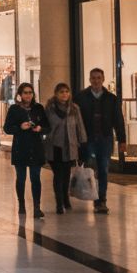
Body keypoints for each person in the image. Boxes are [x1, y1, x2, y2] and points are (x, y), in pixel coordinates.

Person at [74, 68, 126, 215]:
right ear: (89, 79)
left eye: (98, 78)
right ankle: (89, 194)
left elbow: (118, 120)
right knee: (90, 168)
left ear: (103, 79)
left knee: (103, 169)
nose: (96, 80)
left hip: (105, 139)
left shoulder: (111, 98)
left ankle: (101, 201)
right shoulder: (81, 97)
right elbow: (75, 121)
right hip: (88, 139)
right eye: (93, 78)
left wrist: (122, 140)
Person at [3, 82, 48, 218]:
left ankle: (37, 207)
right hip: (20, 147)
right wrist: (20, 127)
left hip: (36, 147)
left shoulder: (38, 108)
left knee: (35, 178)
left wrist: (40, 128)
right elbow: (7, 128)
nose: (28, 95)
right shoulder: (14, 109)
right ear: (20, 95)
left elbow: (47, 126)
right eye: (25, 93)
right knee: (21, 178)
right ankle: (21, 204)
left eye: (30, 92)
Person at [44, 83, 87, 215]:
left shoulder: (74, 108)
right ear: (56, 94)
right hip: (55, 146)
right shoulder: (50, 108)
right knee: (58, 174)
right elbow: (45, 126)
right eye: (61, 92)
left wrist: (83, 143)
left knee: (66, 174)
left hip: (70, 146)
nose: (64, 94)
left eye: (67, 92)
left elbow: (80, 126)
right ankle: (59, 203)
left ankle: (66, 199)